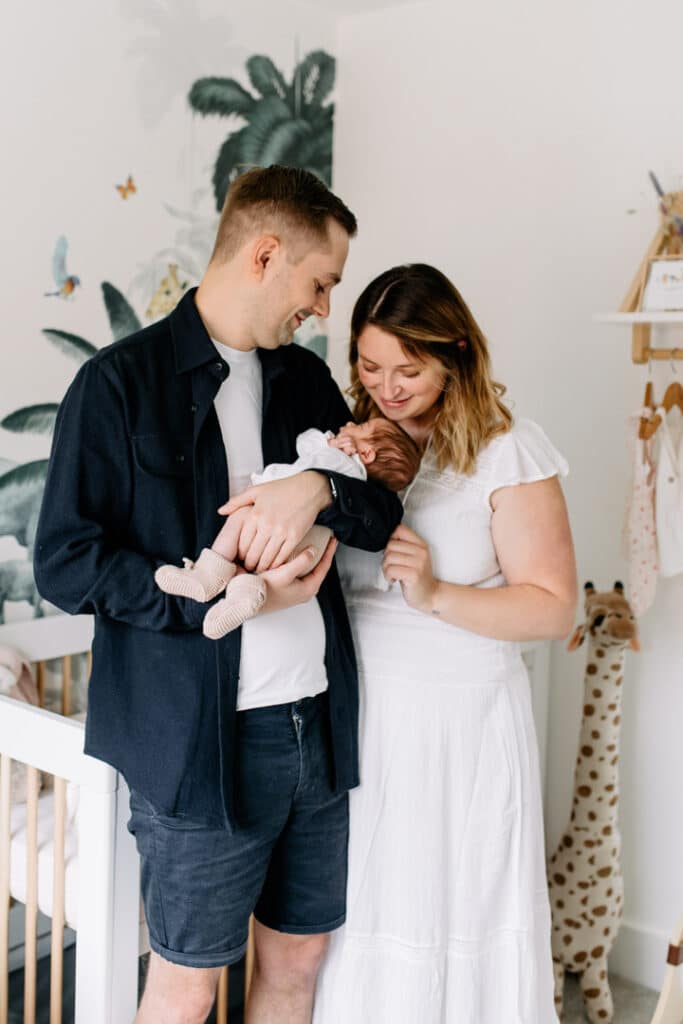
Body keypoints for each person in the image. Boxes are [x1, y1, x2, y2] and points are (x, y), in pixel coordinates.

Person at [33, 166, 404, 1024]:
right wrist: (212, 600)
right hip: (199, 742)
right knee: (186, 982)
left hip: (315, 723)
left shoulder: (303, 382)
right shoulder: (118, 384)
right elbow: (65, 561)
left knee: (299, 959)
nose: (320, 308)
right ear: (266, 254)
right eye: (320, 283)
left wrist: (313, 489)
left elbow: (376, 508)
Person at [313, 264, 578, 1023]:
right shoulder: (357, 445)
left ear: (454, 352)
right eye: (368, 365)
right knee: (364, 915)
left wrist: (434, 595)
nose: (386, 386)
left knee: (450, 916)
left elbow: (553, 608)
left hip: (459, 728)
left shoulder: (508, 451)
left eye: (408, 368)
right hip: (365, 720)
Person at [155, 418, 420, 638]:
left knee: (237, 517)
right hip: (308, 550)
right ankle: (242, 597)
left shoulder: (338, 458)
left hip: (287, 533)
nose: (350, 422)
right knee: (254, 569)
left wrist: (328, 443)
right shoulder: (359, 483)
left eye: (361, 427)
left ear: (366, 453)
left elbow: (304, 442)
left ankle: (207, 575)